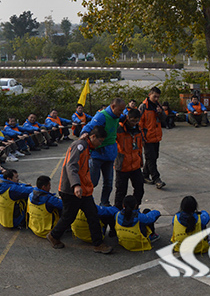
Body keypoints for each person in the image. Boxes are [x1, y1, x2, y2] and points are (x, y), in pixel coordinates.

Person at [47, 125, 113, 254]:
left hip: (83, 190)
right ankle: (53, 235)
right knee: (68, 217)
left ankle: (98, 244)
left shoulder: (86, 146)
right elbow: (71, 166)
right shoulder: (80, 146)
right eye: (100, 141)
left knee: (93, 215)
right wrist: (76, 185)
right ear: (93, 137)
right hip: (71, 190)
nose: (100, 144)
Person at [81, 98, 126, 207]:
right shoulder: (101, 116)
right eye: (120, 110)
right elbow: (89, 127)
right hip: (98, 154)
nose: (121, 113)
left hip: (110, 155)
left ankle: (104, 202)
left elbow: (125, 118)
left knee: (108, 183)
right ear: (113, 107)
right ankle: (85, 201)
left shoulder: (117, 116)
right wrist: (84, 134)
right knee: (92, 181)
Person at [114, 108, 146, 208]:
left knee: (140, 188)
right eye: (132, 121)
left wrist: (141, 161)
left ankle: (135, 207)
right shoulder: (119, 129)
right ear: (127, 117)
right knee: (121, 191)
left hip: (135, 164)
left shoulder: (138, 129)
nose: (134, 123)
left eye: (136, 121)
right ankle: (118, 210)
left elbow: (139, 147)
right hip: (122, 165)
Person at [139, 87, 167, 189]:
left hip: (156, 136)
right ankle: (156, 179)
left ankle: (145, 175)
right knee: (151, 159)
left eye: (158, 97)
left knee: (153, 157)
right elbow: (139, 123)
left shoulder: (158, 106)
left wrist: (160, 112)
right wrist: (142, 137)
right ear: (149, 94)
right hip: (147, 137)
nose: (156, 99)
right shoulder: (143, 107)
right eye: (154, 96)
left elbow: (164, 119)